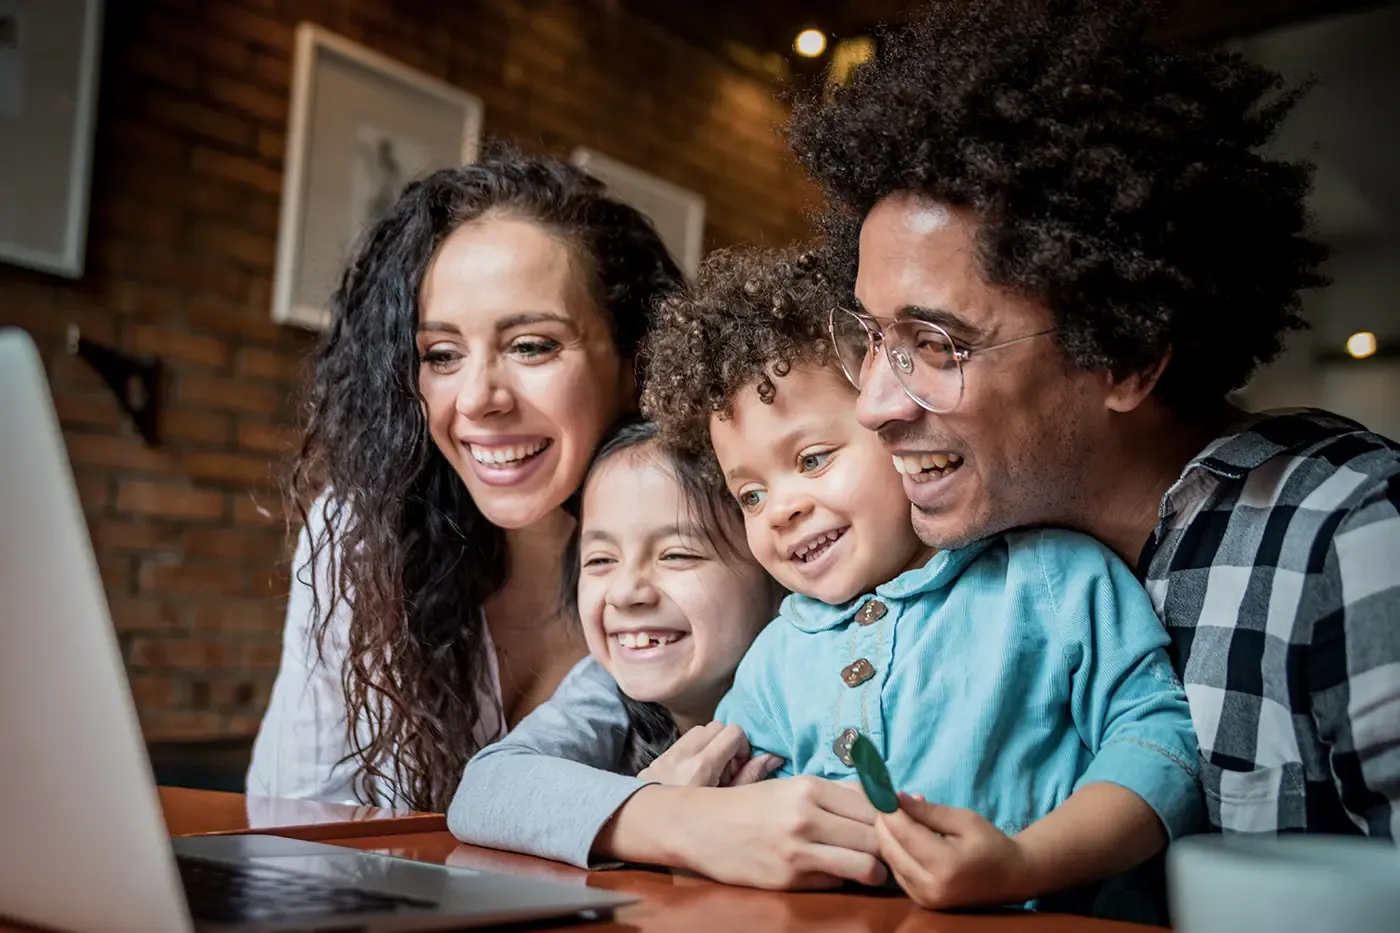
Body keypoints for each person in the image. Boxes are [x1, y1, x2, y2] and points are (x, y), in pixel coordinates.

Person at [786, 0, 1400, 853]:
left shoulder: (1353, 541)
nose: (874, 405)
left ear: (1125, 354)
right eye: (871, 336)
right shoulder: (934, 551)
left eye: (935, 344)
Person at [458, 248, 1201, 922]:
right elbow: (706, 809)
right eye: (749, 494)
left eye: (813, 458)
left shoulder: (1051, 577)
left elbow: (1161, 746)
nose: (782, 507)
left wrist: (1027, 862)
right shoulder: (779, 651)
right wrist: (672, 809)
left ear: (894, 428)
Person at [246, 151, 683, 811]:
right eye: (442, 354)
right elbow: (297, 819)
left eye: (531, 345)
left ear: (636, 360)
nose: (478, 398)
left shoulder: (721, 553)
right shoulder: (362, 537)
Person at [449, 419, 785, 864]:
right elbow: (484, 789)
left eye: (677, 555)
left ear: (777, 573)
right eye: (601, 559)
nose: (626, 592)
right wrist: (670, 815)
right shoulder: (605, 688)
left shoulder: (816, 677)